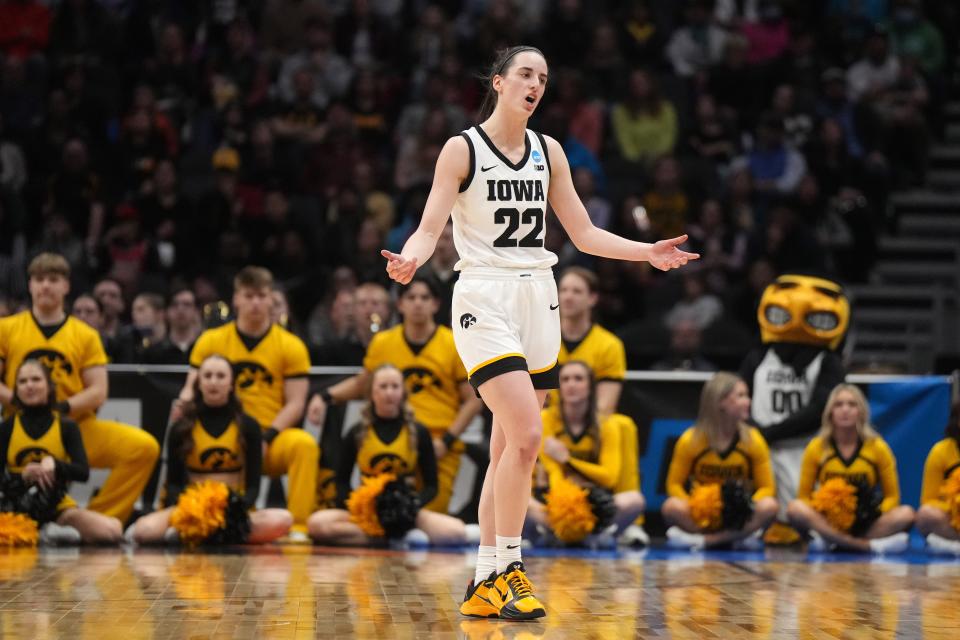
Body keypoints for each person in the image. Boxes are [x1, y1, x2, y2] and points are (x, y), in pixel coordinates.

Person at [379, 45, 697, 620]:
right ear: (498, 82)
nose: (536, 84)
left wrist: (647, 252)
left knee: (507, 446)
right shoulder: (462, 149)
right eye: (525, 73)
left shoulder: (550, 152)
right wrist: (408, 259)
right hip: (483, 294)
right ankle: (511, 568)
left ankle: (481, 581)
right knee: (526, 437)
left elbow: (583, 232)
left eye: (544, 78)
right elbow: (430, 229)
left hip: (538, 296)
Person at [0, 253, 160, 524]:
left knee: (143, 448)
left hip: (73, 426)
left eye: (53, 279)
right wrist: (20, 401)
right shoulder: (7, 328)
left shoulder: (85, 334)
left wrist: (60, 409)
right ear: (30, 285)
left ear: (66, 286)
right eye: (39, 279)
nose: (46, 286)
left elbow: (98, 391)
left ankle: (96, 519)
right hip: (20, 428)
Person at [308, 275, 482, 514]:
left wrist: (447, 440)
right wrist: (325, 396)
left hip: (439, 440)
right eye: (411, 297)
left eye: (425, 297)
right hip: (391, 435)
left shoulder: (454, 344)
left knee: (430, 513)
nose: (418, 303)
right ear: (399, 304)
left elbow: (474, 400)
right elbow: (362, 384)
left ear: (436, 304)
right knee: (380, 509)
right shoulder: (383, 342)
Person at [177, 266, 317, 538]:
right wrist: (181, 404)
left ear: (270, 299)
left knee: (304, 445)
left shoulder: (291, 345)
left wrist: (266, 437)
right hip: (223, 434)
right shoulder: (210, 340)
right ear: (236, 299)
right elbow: (189, 389)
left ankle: (298, 527)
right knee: (180, 434)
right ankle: (182, 514)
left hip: (268, 437)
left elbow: (296, 404)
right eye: (248, 295)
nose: (255, 302)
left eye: (261, 296)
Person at [129, 355, 292, 544]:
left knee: (282, 519)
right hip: (190, 508)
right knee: (143, 530)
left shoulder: (249, 426)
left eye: (221, 376)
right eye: (207, 376)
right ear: (199, 383)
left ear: (231, 384)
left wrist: (234, 508)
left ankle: (194, 536)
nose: (213, 382)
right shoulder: (181, 427)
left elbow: (253, 487)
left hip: (234, 511)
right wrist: (192, 509)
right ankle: (204, 532)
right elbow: (173, 484)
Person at [306, 365, 467, 546]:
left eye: (395, 386)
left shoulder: (418, 431)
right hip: (368, 512)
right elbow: (341, 482)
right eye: (383, 387)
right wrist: (361, 507)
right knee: (317, 524)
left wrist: (410, 506)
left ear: (403, 392)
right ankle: (391, 539)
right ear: (371, 393)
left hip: (407, 510)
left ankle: (392, 534)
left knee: (456, 532)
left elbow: (431, 486)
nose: (389, 393)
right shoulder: (357, 433)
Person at [0, 359, 122, 544]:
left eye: (36, 379)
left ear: (49, 386)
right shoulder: (6, 428)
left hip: (54, 504)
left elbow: (83, 472)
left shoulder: (67, 426)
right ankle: (44, 534)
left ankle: (48, 530)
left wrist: (55, 465)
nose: (29, 386)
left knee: (111, 532)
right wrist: (22, 476)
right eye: (23, 381)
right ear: (16, 389)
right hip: (12, 509)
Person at [787, 384, 915, 554]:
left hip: (865, 522)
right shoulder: (817, 447)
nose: (845, 410)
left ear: (861, 411)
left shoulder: (877, 447)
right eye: (838, 404)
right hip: (828, 521)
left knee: (906, 514)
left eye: (852, 404)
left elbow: (892, 497)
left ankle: (831, 542)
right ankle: (866, 546)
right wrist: (826, 510)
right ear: (830, 412)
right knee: (794, 508)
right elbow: (803, 496)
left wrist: (869, 515)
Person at [527, 361, 645, 543]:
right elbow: (554, 473)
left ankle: (592, 534)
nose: (571, 384)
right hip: (554, 500)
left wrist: (568, 461)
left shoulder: (607, 425)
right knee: (521, 501)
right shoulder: (545, 419)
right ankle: (557, 532)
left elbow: (610, 477)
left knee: (634, 500)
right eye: (565, 379)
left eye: (578, 379)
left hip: (593, 501)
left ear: (591, 387)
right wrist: (565, 501)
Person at [661, 372, 779, 550]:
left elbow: (767, 488)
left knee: (770, 506)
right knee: (671, 507)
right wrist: (695, 505)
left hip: (739, 513)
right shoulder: (691, 440)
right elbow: (674, 485)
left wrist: (746, 506)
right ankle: (736, 538)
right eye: (741, 396)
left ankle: (705, 541)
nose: (748, 401)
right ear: (720, 402)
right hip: (703, 514)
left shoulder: (753, 440)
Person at [917, 402, 960, 554]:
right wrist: (954, 507)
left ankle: (952, 547)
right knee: (925, 515)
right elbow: (928, 501)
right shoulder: (940, 451)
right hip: (954, 521)